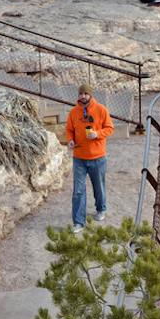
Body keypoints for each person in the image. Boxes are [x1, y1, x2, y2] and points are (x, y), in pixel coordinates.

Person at [63, 83, 114, 227]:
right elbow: (69, 130)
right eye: (81, 94)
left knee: (99, 186)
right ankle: (78, 222)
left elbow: (110, 128)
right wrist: (70, 140)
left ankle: (101, 209)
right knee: (78, 191)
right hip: (79, 157)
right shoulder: (74, 112)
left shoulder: (101, 109)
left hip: (97, 157)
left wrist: (97, 134)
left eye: (85, 94)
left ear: (90, 95)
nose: (83, 96)